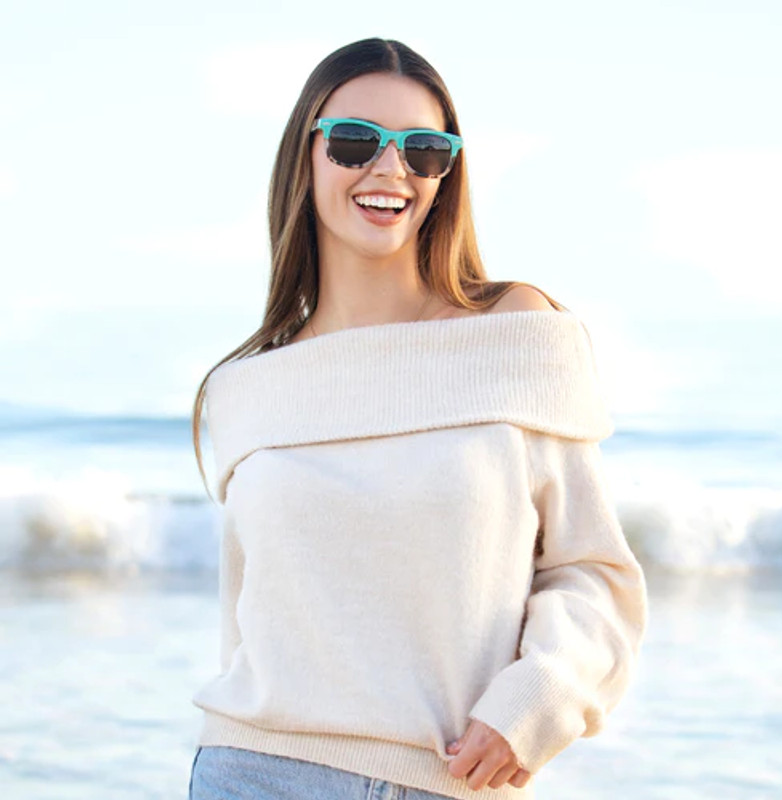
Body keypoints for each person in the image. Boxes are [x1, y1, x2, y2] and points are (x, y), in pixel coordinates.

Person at [187, 37, 647, 800]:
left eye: (423, 150)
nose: (390, 169)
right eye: (356, 142)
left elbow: (593, 569)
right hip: (249, 771)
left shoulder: (515, 332)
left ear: (446, 172)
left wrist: (539, 700)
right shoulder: (246, 389)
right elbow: (250, 624)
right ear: (304, 156)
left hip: (446, 781)